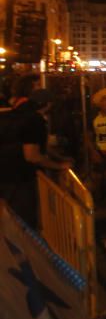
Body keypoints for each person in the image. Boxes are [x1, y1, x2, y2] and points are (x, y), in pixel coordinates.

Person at [0, 74, 71, 228]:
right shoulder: (33, 119)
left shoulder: (10, 114)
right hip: (19, 178)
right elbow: (32, 156)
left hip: (5, 176)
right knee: (23, 225)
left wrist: (56, 156)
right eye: (37, 85)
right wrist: (58, 166)